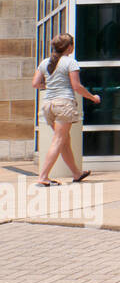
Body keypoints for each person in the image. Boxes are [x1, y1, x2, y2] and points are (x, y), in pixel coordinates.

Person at [32, 33, 98, 187]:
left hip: (48, 105)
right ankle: (43, 177)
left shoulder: (45, 63)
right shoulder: (70, 62)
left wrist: (49, 86)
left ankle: (76, 173)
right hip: (64, 104)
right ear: (69, 47)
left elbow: (36, 84)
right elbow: (77, 87)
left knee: (64, 141)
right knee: (59, 140)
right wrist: (92, 97)